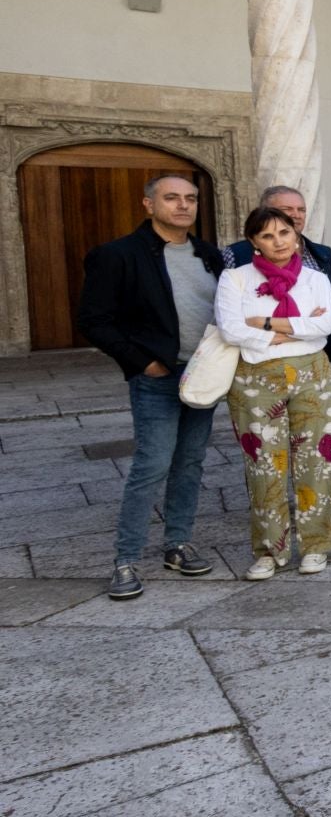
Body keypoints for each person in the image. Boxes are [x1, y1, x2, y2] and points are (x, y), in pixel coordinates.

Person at [75, 173, 223, 599]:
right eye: (171, 198)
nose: (183, 206)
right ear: (148, 204)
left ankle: (177, 544)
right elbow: (93, 320)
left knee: (190, 462)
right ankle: (125, 560)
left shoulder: (211, 256)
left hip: (203, 377)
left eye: (190, 199)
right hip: (158, 377)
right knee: (152, 465)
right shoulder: (118, 255)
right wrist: (143, 363)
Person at [215, 204, 331, 579]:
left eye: (284, 233)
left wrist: (266, 322)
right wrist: (289, 329)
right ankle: (269, 551)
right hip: (256, 376)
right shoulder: (235, 278)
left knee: (319, 459)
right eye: (268, 236)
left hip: (311, 372)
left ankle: (317, 544)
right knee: (263, 464)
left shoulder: (314, 277)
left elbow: (324, 324)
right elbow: (231, 329)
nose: (279, 242)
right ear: (254, 242)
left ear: (295, 235)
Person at [224, 185, 331, 372]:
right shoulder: (237, 255)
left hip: (312, 360)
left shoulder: (322, 254)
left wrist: (261, 322)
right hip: (256, 363)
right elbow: (232, 323)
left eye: (301, 209)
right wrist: (306, 331)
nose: (296, 214)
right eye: (287, 209)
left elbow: (326, 320)